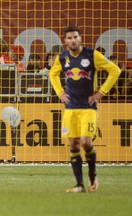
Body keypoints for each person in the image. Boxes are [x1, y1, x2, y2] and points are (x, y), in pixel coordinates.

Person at [49, 25, 121, 193]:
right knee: (73, 144)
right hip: (71, 108)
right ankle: (80, 185)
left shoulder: (92, 55)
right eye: (69, 38)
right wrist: (60, 93)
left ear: (80, 38)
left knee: (85, 142)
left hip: (88, 107)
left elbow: (115, 70)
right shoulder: (62, 58)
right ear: (65, 41)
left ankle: (93, 174)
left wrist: (101, 93)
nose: (73, 40)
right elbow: (52, 74)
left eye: (75, 37)